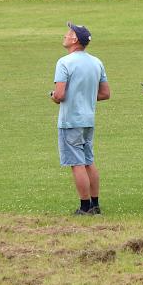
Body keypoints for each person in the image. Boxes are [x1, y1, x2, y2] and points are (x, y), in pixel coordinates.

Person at [50, 22, 111, 215]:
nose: (65, 36)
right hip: (88, 119)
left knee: (77, 164)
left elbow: (59, 95)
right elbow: (105, 93)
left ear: (75, 39)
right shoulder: (97, 62)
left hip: (71, 121)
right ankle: (95, 204)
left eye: (68, 33)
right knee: (88, 161)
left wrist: (53, 96)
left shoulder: (64, 62)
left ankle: (84, 207)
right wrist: (84, 95)